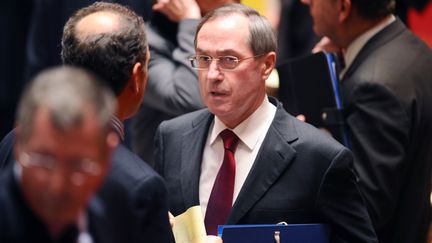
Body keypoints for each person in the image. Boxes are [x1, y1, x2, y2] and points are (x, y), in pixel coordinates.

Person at [154, 3, 377, 242]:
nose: (212, 75)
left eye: (229, 60)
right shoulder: (172, 136)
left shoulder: (320, 157)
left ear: (267, 65)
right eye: (204, 58)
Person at [1, 2, 173, 243]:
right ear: (136, 77)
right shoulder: (141, 187)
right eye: (44, 161)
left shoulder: (15, 139)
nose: (57, 185)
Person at [300, 0, 432, 242]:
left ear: (343, 8)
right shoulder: (412, 46)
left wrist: (309, 150)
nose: (305, 2)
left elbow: (365, 208)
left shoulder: (374, 86)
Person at [0, 66, 119, 242]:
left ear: (107, 156)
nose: (58, 186)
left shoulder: (122, 214)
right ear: (18, 144)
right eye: (43, 161)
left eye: (78, 165)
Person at [131, 0, 239, 165]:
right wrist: (191, 22)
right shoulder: (145, 44)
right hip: (167, 174)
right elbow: (190, 98)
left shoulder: (231, 38)